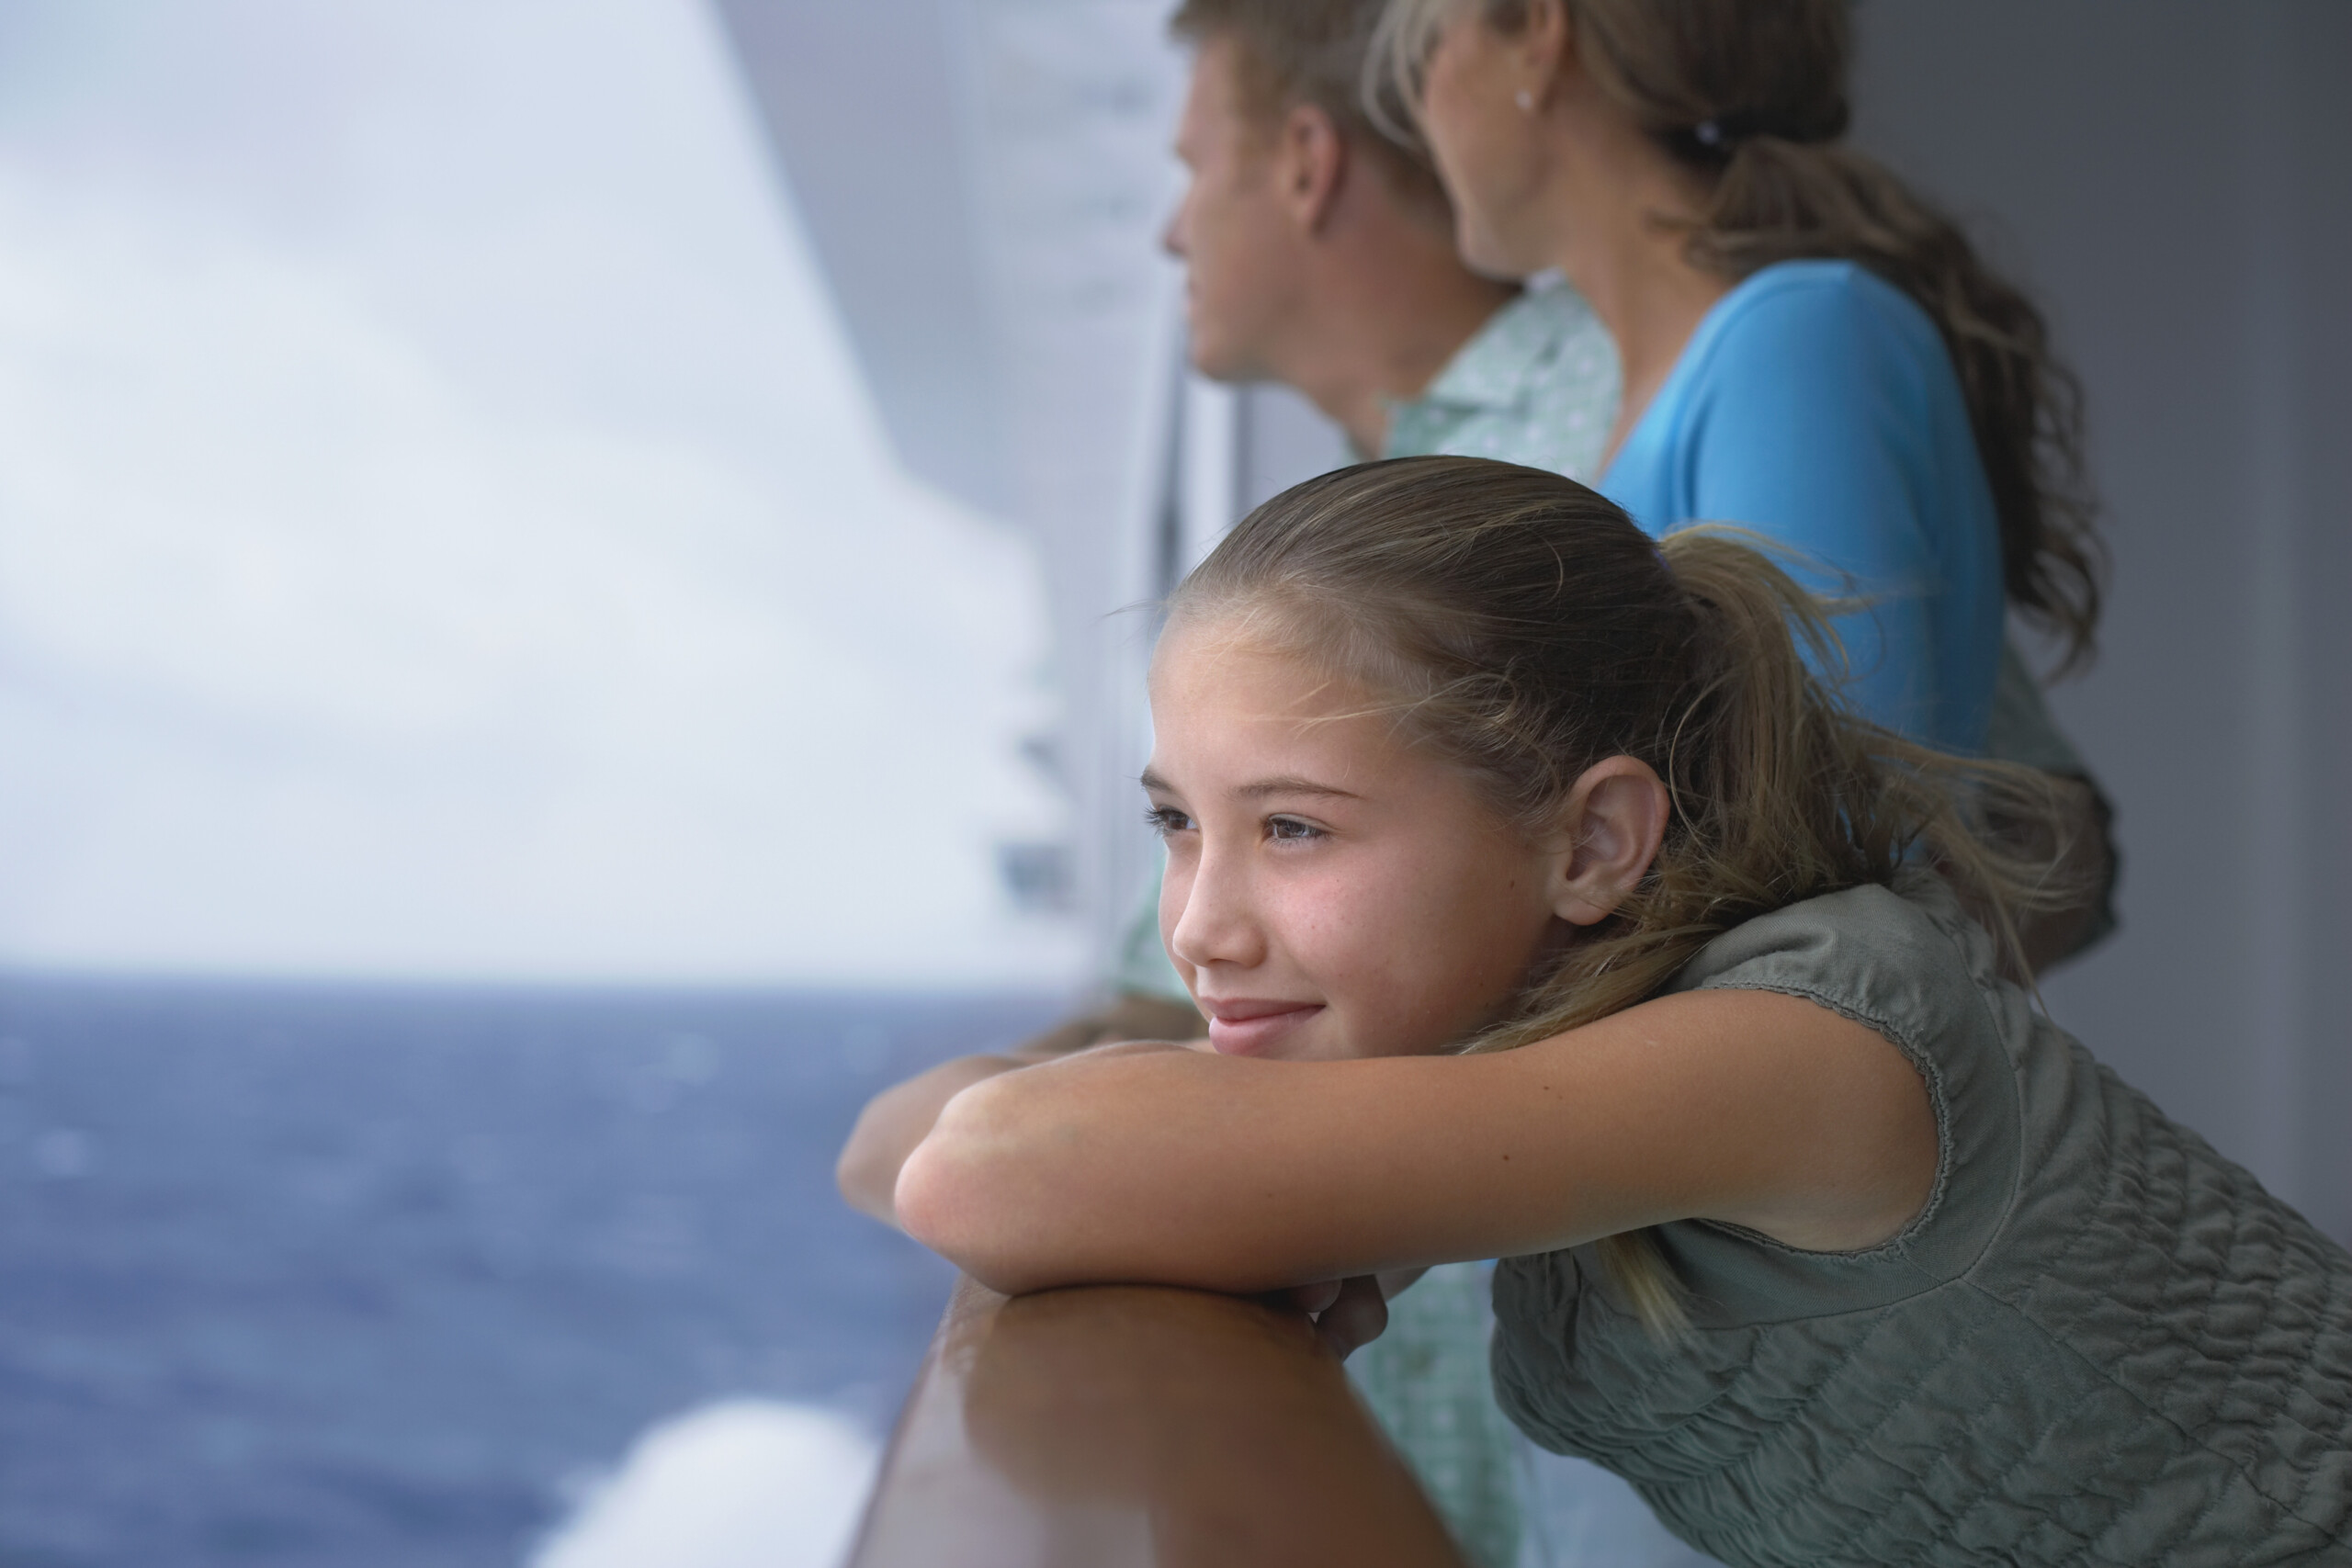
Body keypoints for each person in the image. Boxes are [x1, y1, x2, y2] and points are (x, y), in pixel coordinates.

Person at [874, 457, 2352, 1567]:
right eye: (1177, 822)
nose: (1200, 924)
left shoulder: (1801, 1046)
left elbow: (977, 1166)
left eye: (1296, 829)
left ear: (1591, 845)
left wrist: (1204, 1166)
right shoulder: (1558, 1048)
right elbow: (895, 1147)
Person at [1373, 0, 2117, 961]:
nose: (1417, 117)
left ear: (1539, 38)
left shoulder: (1798, 340)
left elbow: (1827, 860)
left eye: (1423, 61)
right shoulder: (1695, 371)